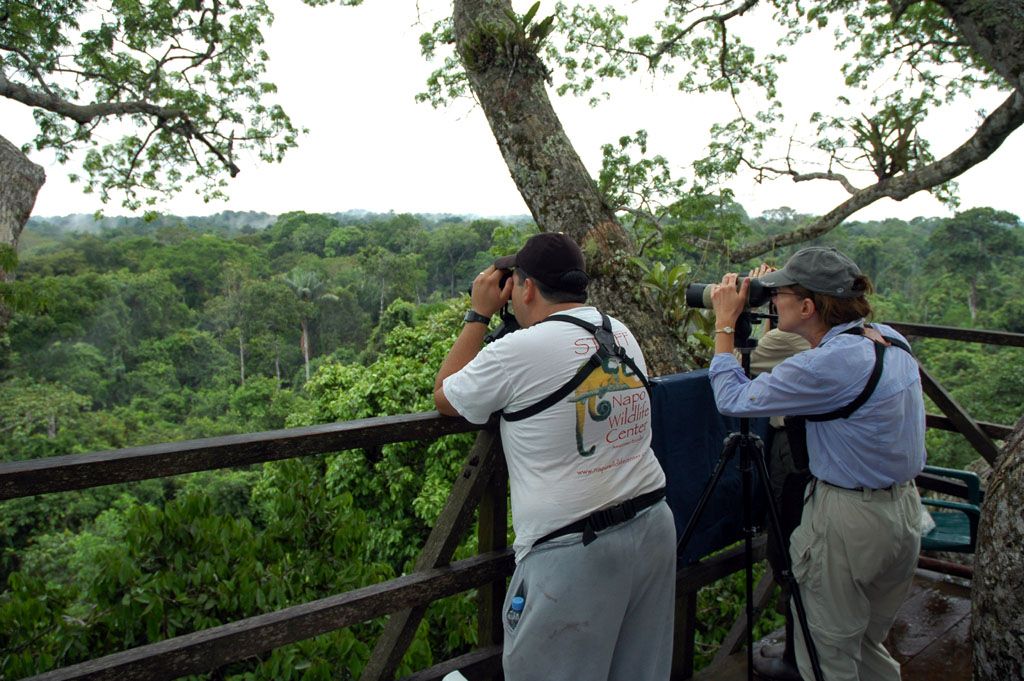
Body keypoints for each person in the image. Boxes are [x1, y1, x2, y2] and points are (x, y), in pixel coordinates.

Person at [433, 232, 676, 681]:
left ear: (525, 288)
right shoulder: (618, 331)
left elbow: (447, 396)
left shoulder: (518, 351)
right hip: (651, 526)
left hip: (572, 549)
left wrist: (479, 313)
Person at [708, 246, 925, 681]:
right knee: (865, 647)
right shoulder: (889, 338)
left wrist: (725, 323)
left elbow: (731, 398)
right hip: (904, 513)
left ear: (807, 307)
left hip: (850, 523)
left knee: (826, 658)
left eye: (780, 294)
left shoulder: (823, 365)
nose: (773, 301)